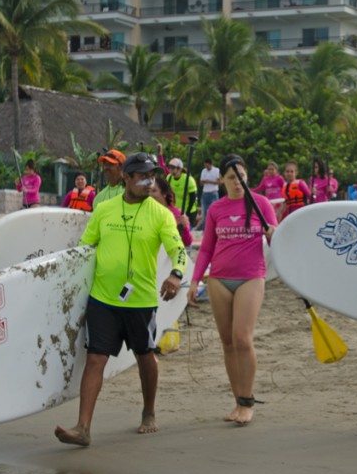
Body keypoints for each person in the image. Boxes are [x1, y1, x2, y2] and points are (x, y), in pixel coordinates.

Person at [55, 153, 186, 447]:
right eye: (141, 175)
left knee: (145, 356)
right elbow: (84, 248)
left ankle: (149, 411)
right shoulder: (104, 210)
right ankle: (83, 427)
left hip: (139, 300)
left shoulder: (160, 214)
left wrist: (176, 275)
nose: (148, 181)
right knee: (96, 358)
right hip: (103, 298)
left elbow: (178, 250)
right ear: (126, 178)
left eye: (151, 176)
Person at [187, 155, 278, 426]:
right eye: (231, 178)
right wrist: (194, 281)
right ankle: (238, 401)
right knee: (227, 342)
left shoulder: (260, 204)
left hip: (251, 278)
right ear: (222, 181)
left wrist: (273, 233)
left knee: (242, 338)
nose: (237, 183)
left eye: (241, 177)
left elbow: (278, 243)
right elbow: (206, 248)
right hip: (218, 280)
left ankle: (248, 401)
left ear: (247, 177)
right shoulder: (216, 209)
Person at [151, 172, 193, 247]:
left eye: (154, 191)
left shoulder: (177, 214)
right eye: (149, 191)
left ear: (164, 193)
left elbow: (187, 242)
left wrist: (184, 227)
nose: (150, 195)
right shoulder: (146, 212)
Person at [157, 144, 199, 220]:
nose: (170, 170)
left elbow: (193, 198)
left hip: (189, 211)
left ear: (179, 169)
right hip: (177, 210)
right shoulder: (169, 177)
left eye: (173, 168)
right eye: (169, 167)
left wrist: (187, 213)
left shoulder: (189, 180)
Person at [198, 158, 222, 230]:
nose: (206, 167)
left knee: (214, 211)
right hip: (205, 193)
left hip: (213, 193)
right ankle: (206, 230)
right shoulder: (204, 171)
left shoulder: (216, 170)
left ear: (211, 164)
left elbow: (219, 182)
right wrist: (205, 181)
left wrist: (208, 181)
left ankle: (215, 228)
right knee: (205, 213)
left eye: (207, 166)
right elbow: (201, 183)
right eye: (205, 166)